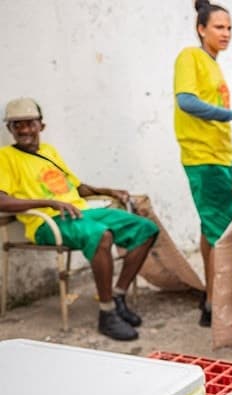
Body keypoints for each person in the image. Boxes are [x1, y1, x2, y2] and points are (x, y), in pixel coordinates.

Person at [0, 98, 159, 341]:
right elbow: (2, 201)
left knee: (145, 229)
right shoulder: (6, 157)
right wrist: (49, 203)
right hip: (46, 223)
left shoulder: (49, 152)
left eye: (29, 124)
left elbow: (76, 186)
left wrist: (106, 190)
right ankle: (107, 314)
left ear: (41, 126)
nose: (24, 130)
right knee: (101, 235)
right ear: (10, 129)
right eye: (16, 125)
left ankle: (117, 296)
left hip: (80, 212)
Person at [173, 0, 232, 327]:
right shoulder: (190, 57)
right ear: (201, 28)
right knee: (221, 232)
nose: (226, 34)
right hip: (202, 158)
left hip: (220, 156)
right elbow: (187, 102)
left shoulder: (213, 63)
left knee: (209, 231)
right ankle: (213, 305)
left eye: (229, 28)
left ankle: (209, 297)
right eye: (219, 27)